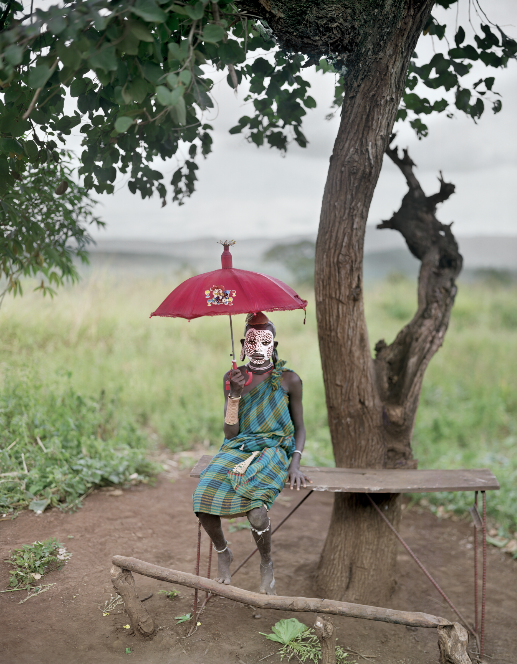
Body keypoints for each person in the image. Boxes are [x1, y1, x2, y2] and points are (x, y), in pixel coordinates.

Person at [192, 311, 311, 595]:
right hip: (239, 446)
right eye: (252, 341)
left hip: (274, 450)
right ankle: (223, 552)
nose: (258, 348)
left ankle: (266, 563)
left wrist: (295, 463)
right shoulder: (232, 378)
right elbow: (230, 433)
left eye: (265, 341)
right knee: (202, 499)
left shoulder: (289, 380)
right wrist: (234, 393)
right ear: (244, 345)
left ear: (274, 345)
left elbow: (300, 428)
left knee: (257, 512)